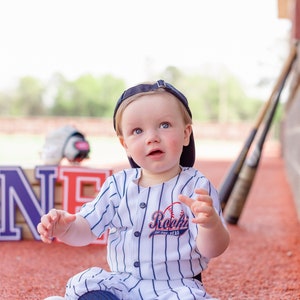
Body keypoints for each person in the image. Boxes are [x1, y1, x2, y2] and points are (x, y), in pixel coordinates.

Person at [38, 79, 230, 300]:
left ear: (186, 134)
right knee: (91, 290)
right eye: (137, 130)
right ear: (125, 144)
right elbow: (87, 229)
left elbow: (212, 249)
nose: (152, 137)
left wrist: (210, 224)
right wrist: (64, 228)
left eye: (165, 125)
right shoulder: (117, 186)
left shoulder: (196, 187)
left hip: (176, 287)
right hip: (123, 285)